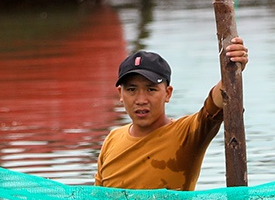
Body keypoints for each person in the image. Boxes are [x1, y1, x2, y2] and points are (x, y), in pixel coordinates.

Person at [94, 40, 249, 191]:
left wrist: (232, 68)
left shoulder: (187, 133)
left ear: (167, 93)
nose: (141, 100)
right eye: (131, 90)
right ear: (120, 94)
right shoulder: (112, 140)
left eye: (151, 89)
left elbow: (214, 105)